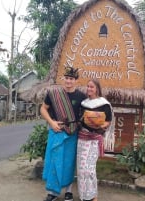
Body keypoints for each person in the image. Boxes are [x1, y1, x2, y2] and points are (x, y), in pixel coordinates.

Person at [40, 67, 86, 201]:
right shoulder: (53, 93)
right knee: (55, 161)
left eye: (71, 79)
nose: (68, 81)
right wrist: (51, 123)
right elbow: (43, 108)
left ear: (76, 81)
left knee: (69, 162)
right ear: (63, 79)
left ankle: (69, 191)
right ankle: (53, 192)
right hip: (56, 131)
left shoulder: (81, 96)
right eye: (66, 78)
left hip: (72, 133)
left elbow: (85, 115)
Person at [76, 79, 115, 201]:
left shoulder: (104, 104)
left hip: (94, 139)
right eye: (88, 86)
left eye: (91, 87)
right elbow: (80, 120)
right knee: (81, 169)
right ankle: (84, 196)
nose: (89, 89)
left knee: (90, 168)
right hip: (82, 138)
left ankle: (93, 196)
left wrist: (100, 125)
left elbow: (108, 121)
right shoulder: (83, 104)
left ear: (97, 88)